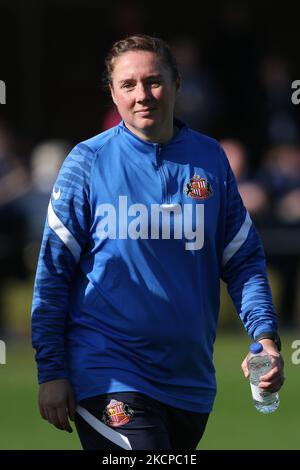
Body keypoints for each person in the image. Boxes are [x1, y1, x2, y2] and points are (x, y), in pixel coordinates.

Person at [31, 34, 284, 451]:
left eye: (153, 81)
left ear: (178, 82)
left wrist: (266, 339)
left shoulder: (210, 159)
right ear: (112, 93)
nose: (142, 95)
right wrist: (52, 371)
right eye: (128, 85)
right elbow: (53, 272)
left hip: (190, 383)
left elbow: (243, 261)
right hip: (107, 371)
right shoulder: (87, 162)